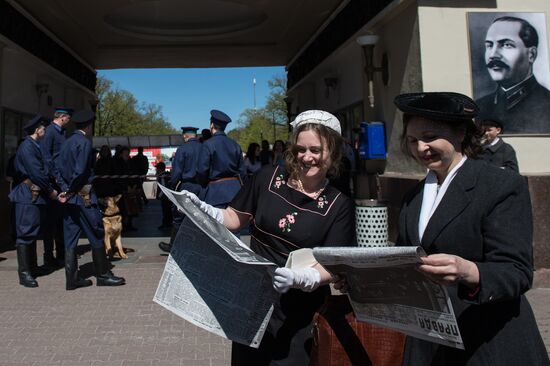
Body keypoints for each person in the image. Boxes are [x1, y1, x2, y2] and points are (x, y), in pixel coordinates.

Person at [180, 110, 356, 364]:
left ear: (333, 152)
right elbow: (233, 218)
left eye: (316, 150)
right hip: (252, 300)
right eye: (300, 149)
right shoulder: (268, 177)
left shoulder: (339, 204)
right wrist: (204, 210)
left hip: (299, 313)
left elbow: (331, 262)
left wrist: (303, 278)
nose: (306, 157)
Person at [391, 92, 548, 365]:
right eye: (413, 140)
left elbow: (518, 272)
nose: (420, 148)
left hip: (488, 340)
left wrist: (469, 271)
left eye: (429, 137)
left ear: (460, 132)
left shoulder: (499, 186)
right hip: (431, 343)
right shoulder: (412, 198)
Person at [55, 110, 125, 290]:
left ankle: (71, 280)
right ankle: (103, 275)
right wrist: (70, 191)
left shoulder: (66, 143)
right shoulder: (84, 143)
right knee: (96, 234)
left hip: (70, 199)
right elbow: (79, 172)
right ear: (88, 125)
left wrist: (64, 190)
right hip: (83, 197)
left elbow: (55, 169)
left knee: (70, 238)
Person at [476, 16, 550, 133]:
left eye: (506, 45)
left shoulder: (547, 104)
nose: (493, 55)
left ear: (531, 55)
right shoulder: (478, 106)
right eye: (489, 45)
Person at [9, 115, 58, 287]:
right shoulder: (27, 147)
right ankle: (24, 274)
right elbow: (37, 172)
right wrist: (51, 190)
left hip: (34, 195)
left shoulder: (35, 145)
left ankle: (33, 268)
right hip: (27, 195)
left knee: (32, 232)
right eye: (43, 127)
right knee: (25, 234)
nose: (45, 129)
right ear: (37, 130)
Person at [158, 126, 202, 252]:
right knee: (200, 216)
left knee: (179, 216)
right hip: (201, 186)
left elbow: (176, 172)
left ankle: (174, 244)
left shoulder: (182, 149)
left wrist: (173, 185)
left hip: (186, 186)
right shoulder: (203, 148)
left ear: (185, 136)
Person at [39, 106, 73, 268]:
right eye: (68, 117)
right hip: (54, 182)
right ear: (62, 117)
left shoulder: (61, 132)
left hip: (61, 180)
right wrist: (59, 181)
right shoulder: (51, 132)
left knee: (60, 220)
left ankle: (61, 253)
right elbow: (48, 159)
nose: (70, 120)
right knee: (50, 222)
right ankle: (48, 255)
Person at [196, 110, 245, 208]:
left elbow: (202, 171)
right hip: (236, 192)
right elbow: (242, 171)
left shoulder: (208, 145)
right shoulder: (235, 145)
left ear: (211, 125)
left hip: (215, 193)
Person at [155, 162, 173, 230]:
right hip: (168, 196)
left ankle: (166, 223)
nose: (156, 169)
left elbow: (163, 188)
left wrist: (159, 196)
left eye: (157, 168)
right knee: (168, 210)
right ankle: (168, 223)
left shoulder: (162, 176)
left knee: (165, 210)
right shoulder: (167, 175)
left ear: (159, 169)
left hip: (165, 197)